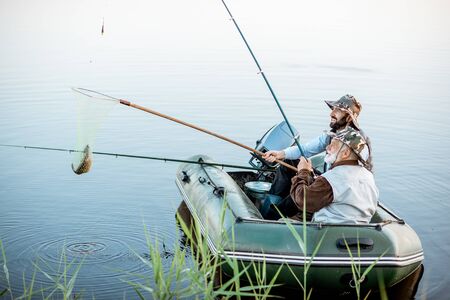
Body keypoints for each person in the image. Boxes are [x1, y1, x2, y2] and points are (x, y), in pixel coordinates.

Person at [262, 94, 371, 201]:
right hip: (328, 178)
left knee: (296, 198)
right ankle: (272, 199)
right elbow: (305, 150)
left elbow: (358, 174)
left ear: (348, 117)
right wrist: (280, 154)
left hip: (338, 185)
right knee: (290, 161)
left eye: (337, 110)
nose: (331, 113)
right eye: (333, 109)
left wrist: (316, 178)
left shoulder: (358, 142)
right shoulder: (332, 134)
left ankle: (274, 211)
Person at [277, 127, 378, 224]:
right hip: (356, 231)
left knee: (281, 222)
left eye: (333, 145)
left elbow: (302, 201)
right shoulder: (368, 175)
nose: (327, 148)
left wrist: (303, 171)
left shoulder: (333, 178)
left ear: (345, 153)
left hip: (326, 232)